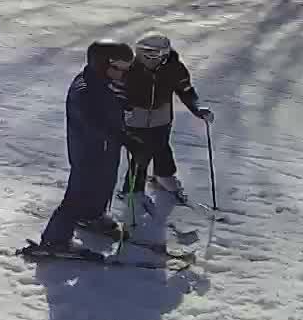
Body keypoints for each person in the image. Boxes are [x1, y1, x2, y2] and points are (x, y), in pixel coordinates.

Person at [36, 40, 138, 255]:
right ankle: (54, 240)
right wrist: (125, 138)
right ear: (101, 64)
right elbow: (94, 122)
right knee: (79, 192)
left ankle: (92, 216)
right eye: (118, 68)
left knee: (106, 181)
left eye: (127, 69)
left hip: (108, 146)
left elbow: (116, 102)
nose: (123, 74)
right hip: (88, 148)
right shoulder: (84, 90)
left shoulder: (109, 82)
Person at [121, 31, 212, 201]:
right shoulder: (129, 68)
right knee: (141, 154)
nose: (148, 58)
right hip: (135, 119)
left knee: (162, 147)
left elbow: (186, 90)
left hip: (162, 118)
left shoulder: (174, 67)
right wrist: (121, 107)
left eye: (154, 54)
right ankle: (132, 190)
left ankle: (164, 176)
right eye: (143, 54)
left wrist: (197, 108)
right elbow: (117, 90)